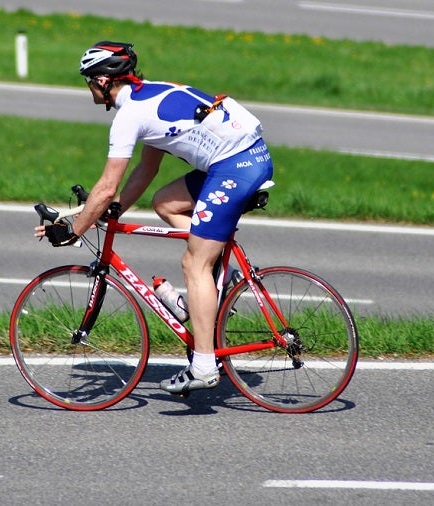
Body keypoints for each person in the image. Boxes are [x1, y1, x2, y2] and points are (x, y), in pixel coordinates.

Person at [34, 41, 274, 394]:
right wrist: (115, 209)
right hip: (240, 157)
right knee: (166, 202)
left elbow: (106, 185)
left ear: (103, 80)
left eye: (88, 80)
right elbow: (146, 171)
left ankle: (204, 366)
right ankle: (219, 271)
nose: (87, 86)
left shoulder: (129, 116)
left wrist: (74, 229)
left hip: (235, 166)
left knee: (194, 265)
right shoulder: (146, 96)